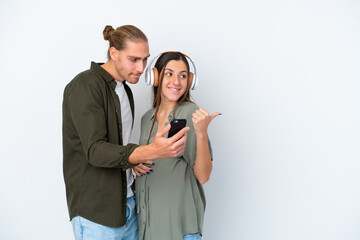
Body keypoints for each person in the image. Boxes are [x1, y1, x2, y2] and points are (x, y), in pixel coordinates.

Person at [62, 25, 189, 240]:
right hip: (97, 213)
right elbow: (95, 150)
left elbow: (118, 147)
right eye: (134, 59)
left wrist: (133, 160)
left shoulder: (124, 90)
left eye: (145, 59)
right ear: (113, 53)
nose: (141, 68)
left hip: (128, 206)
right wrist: (150, 151)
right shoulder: (85, 87)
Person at [134, 52, 220, 240]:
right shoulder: (146, 119)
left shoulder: (191, 113)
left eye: (183, 75)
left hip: (179, 230)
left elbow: (203, 176)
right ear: (155, 77)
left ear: (189, 81)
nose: (177, 81)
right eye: (169, 74)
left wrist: (202, 133)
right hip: (149, 228)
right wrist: (135, 162)